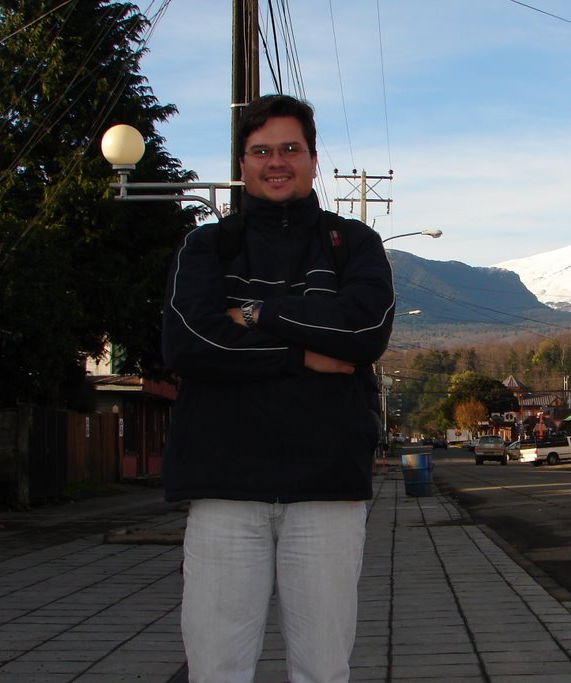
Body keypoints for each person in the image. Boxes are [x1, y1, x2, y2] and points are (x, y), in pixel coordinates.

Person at [160, 94, 395, 683]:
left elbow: (364, 331)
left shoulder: (354, 244)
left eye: (290, 148)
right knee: (215, 669)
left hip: (326, 489)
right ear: (243, 166)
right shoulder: (207, 246)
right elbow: (190, 344)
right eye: (261, 151)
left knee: (322, 668)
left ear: (314, 160)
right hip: (223, 488)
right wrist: (305, 353)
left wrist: (255, 314)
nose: (276, 162)